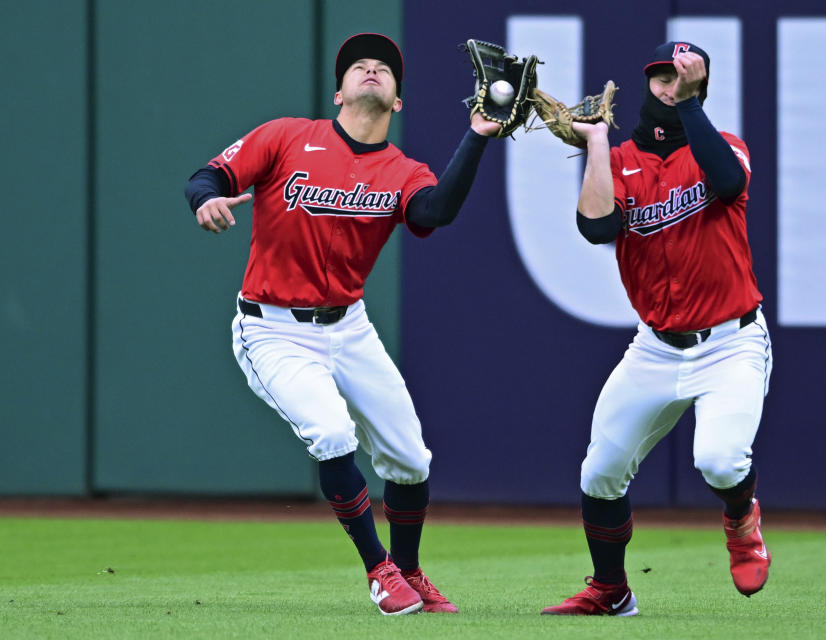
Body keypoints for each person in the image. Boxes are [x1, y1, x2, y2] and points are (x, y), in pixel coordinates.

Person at [184, 33, 503, 616]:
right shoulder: (284, 137)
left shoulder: (403, 170)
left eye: (385, 69)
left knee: (410, 458)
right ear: (338, 91)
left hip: (349, 327)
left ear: (398, 102)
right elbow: (207, 177)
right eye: (361, 66)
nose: (373, 70)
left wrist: (478, 136)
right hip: (273, 328)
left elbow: (436, 211)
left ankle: (408, 570)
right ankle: (379, 569)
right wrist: (204, 199)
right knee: (332, 434)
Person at [541, 41, 773, 616]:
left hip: (731, 342)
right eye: (661, 79)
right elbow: (597, 229)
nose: (668, 89)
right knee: (599, 471)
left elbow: (725, 183)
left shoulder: (727, 148)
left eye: (682, 80)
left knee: (719, 460)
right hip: (656, 349)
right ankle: (611, 591)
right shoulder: (619, 160)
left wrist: (692, 108)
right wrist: (596, 144)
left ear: (699, 89)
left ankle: (742, 519)